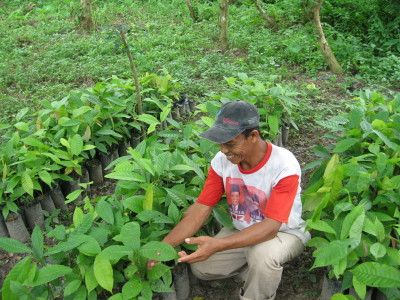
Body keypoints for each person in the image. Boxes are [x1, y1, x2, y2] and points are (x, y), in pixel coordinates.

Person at [147, 100, 310, 300]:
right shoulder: (221, 162)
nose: (224, 150)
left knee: (262, 256)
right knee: (202, 267)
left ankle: (257, 290)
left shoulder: (283, 165)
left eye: (231, 143)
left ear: (253, 136)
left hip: (284, 233)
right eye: (220, 143)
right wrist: (162, 248)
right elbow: (201, 209)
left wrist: (218, 245)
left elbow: (270, 228)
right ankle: (256, 274)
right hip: (242, 230)